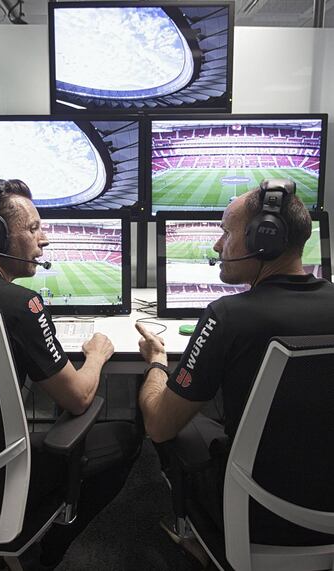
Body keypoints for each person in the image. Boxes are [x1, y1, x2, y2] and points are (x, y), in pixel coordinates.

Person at [0, 179, 141, 569]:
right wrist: (97, 355)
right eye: (34, 228)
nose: (46, 239)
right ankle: (45, 550)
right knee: (126, 437)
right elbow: (78, 398)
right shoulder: (22, 305)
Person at [136, 179, 334, 548]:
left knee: (175, 425)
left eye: (226, 232)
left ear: (264, 239)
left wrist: (158, 364)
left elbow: (160, 426)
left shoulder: (228, 316)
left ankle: (199, 536)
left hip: (259, 515)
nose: (216, 244)